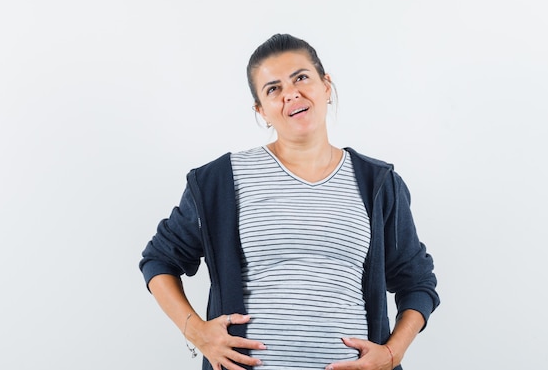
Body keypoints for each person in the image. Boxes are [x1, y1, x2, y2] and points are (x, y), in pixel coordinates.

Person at [139, 33, 439, 370]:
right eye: (273, 89)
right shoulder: (220, 181)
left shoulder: (378, 184)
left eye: (301, 78)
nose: (291, 93)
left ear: (326, 86)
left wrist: (391, 353)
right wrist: (197, 333)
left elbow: (418, 282)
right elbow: (159, 261)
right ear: (261, 110)